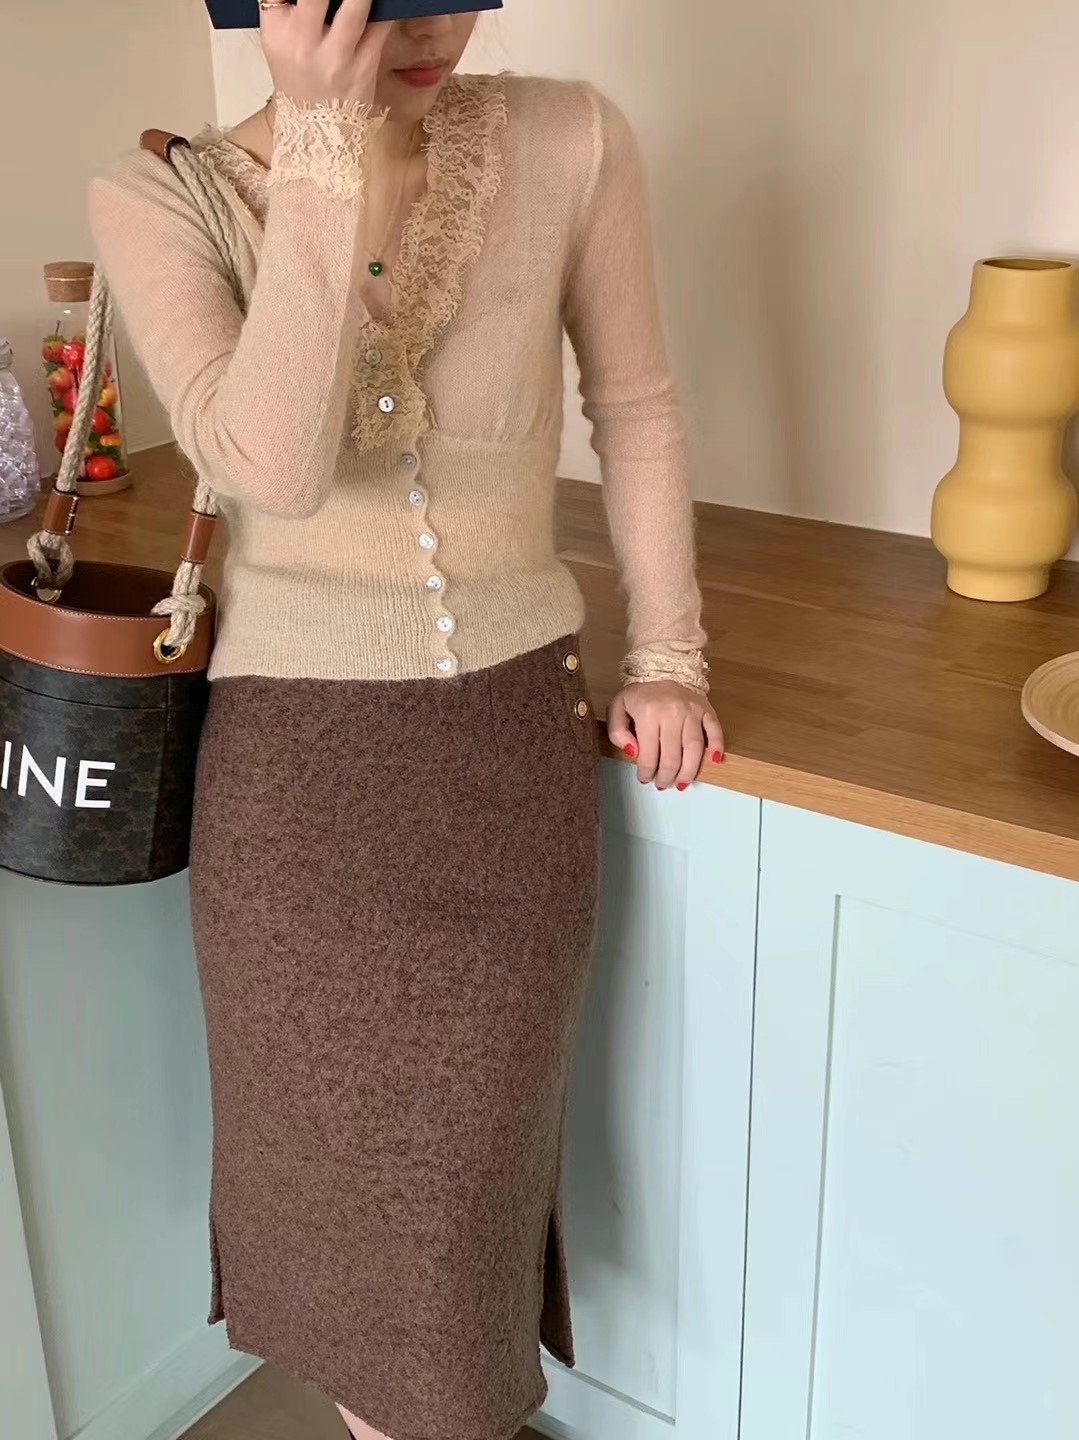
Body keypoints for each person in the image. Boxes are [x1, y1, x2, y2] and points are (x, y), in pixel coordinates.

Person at [89, 3, 723, 1437]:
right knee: (353, 1247)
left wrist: (671, 654)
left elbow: (637, 409)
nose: (436, 28)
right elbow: (275, 467)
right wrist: (323, 145)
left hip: (506, 769)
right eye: (384, 0)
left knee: (453, 1242)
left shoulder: (569, 140)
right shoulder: (157, 198)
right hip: (294, 799)